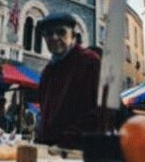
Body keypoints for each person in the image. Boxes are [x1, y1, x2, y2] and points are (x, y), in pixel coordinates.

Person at [36, 12, 100, 148]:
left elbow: (100, 111)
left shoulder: (89, 61)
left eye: (61, 32)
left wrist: (68, 140)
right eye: (48, 33)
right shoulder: (47, 71)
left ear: (73, 36)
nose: (54, 37)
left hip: (76, 150)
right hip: (50, 150)